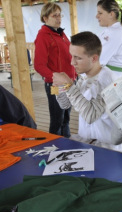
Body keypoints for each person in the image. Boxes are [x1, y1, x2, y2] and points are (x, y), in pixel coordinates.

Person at [53, 31, 122, 153]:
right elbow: (65, 105)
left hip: (109, 151)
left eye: (78, 58)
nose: (72, 62)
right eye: (72, 56)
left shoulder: (107, 81)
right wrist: (59, 88)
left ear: (94, 58)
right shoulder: (85, 76)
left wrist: (70, 86)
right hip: (89, 144)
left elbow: (90, 115)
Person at [34, 3, 76, 138]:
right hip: (56, 85)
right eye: (54, 15)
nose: (58, 18)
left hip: (69, 82)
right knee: (57, 120)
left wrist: (75, 75)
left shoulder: (61, 34)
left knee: (66, 119)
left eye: (59, 15)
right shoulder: (43, 36)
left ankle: (67, 146)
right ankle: (55, 148)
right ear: (45, 18)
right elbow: (39, 65)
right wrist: (55, 77)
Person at [96, 0, 122, 77]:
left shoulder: (115, 33)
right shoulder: (110, 31)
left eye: (100, 13)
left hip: (111, 76)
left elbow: (99, 60)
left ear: (111, 14)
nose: (97, 16)